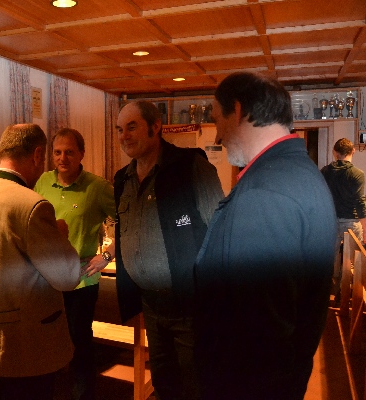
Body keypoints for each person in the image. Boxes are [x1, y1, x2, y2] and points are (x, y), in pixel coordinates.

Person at [193, 72, 337, 400]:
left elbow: (256, 338)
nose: (217, 135)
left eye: (216, 120)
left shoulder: (265, 194)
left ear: (238, 110)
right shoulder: (295, 171)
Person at [0, 123, 81, 400]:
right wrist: (60, 236)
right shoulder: (33, 205)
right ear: (37, 155)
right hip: (22, 350)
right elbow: (67, 277)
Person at [114, 100, 223, 400]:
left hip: (190, 305)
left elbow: (220, 234)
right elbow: (124, 233)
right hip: (150, 305)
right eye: (120, 129)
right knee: (164, 383)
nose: (124, 136)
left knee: (196, 385)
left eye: (132, 127)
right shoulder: (122, 179)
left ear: (156, 126)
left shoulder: (191, 167)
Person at [34, 127, 116, 400]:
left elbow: (129, 221)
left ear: (82, 154)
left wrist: (107, 256)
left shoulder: (98, 187)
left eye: (69, 152)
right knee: (47, 342)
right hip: (47, 279)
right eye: (57, 152)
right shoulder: (43, 181)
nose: (62, 158)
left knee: (79, 343)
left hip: (82, 279)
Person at [321, 138, 366, 243]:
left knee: (332, 254)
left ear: (335, 152)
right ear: (353, 151)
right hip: (351, 223)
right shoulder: (357, 174)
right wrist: (365, 228)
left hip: (330, 222)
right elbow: (359, 202)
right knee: (353, 253)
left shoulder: (324, 171)